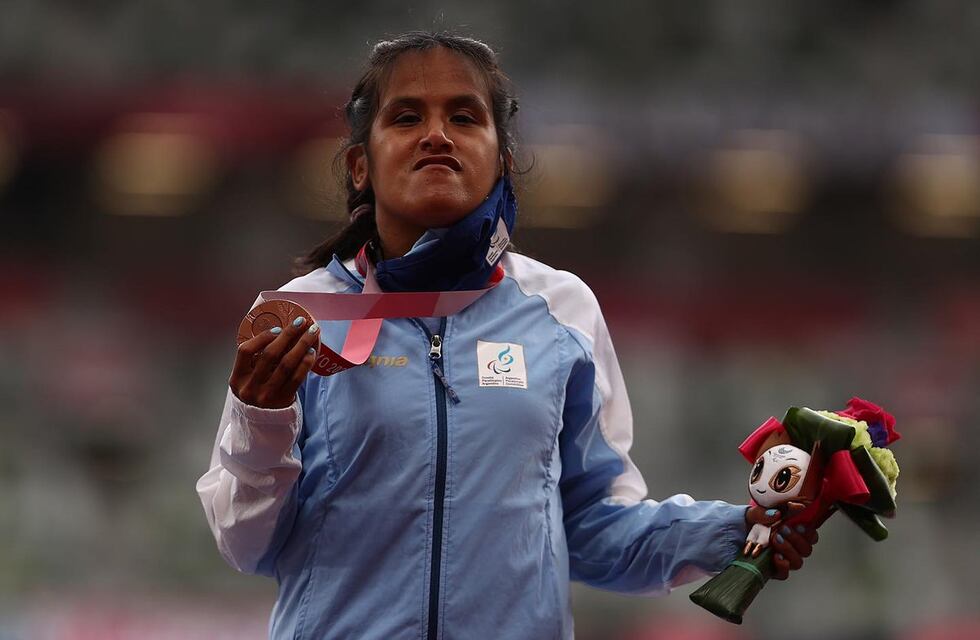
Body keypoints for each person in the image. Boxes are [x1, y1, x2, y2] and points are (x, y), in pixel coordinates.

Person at [196, 31, 817, 640]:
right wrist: (261, 421)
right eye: (407, 116)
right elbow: (246, 545)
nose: (436, 135)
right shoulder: (301, 316)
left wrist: (734, 532)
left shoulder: (561, 311)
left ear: (502, 159)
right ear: (361, 164)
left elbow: (593, 526)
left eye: (464, 117)